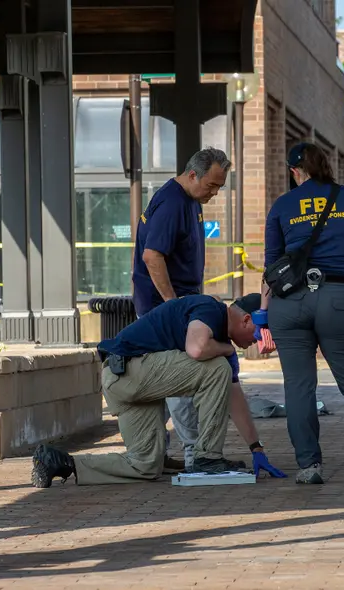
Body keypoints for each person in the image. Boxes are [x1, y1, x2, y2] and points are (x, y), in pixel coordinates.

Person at [30, 294, 287, 487]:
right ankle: (207, 459)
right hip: (131, 370)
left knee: (145, 465)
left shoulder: (219, 341)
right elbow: (196, 349)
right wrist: (228, 350)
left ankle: (61, 463)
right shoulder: (211, 309)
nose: (257, 343)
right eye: (258, 335)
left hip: (122, 378)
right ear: (245, 320)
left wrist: (256, 448)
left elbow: (234, 397)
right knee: (217, 366)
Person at [261, 142, 344, 485]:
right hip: (339, 296)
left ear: (295, 171)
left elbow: (272, 268)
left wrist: (263, 315)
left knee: (298, 386)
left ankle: (309, 467)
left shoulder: (282, 205)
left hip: (289, 302)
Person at [132, 147, 231, 472]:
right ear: (192, 175)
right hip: (165, 312)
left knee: (159, 383)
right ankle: (196, 455)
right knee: (182, 381)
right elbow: (152, 256)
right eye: (211, 186)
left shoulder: (188, 200)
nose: (214, 193)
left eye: (219, 187)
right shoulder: (174, 203)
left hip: (171, 307)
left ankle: (154, 455)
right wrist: (173, 305)